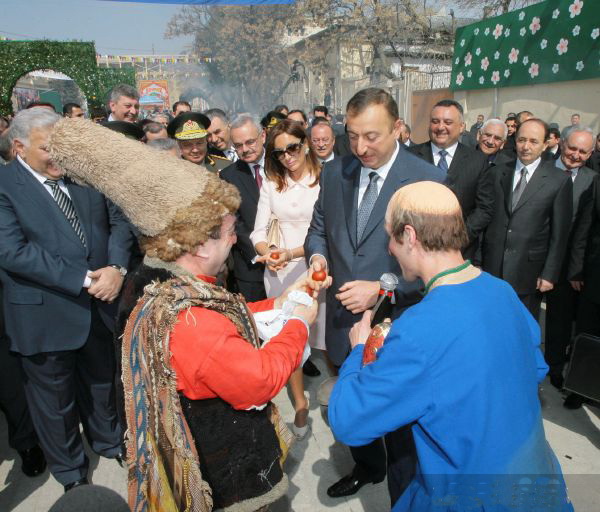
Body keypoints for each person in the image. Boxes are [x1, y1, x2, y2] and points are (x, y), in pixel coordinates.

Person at [44, 117, 318, 510]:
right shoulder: (186, 318)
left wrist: (281, 301)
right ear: (201, 245)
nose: (233, 236)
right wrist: (298, 324)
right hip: (227, 482)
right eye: (227, 230)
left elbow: (226, 313)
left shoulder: (160, 280)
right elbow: (258, 380)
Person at [328, 181, 573, 511]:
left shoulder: (417, 330)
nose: (389, 248)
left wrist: (361, 350)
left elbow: (349, 421)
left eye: (391, 236)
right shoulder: (502, 291)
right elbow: (534, 368)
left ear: (410, 236)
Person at [305, 87, 444, 499]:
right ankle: (368, 466)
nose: (361, 147)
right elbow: (318, 230)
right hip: (345, 322)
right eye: (353, 135)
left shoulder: (427, 180)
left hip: (400, 327)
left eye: (372, 136)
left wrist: (384, 290)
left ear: (398, 129)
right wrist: (318, 259)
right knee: (355, 407)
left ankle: (404, 496)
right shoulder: (335, 172)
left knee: (402, 428)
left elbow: (439, 269)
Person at [0, 109, 134, 492]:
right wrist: (82, 279)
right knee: (54, 401)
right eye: (48, 148)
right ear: (19, 147)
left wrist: (116, 268)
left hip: (101, 303)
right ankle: (71, 472)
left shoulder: (83, 172)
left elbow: (119, 221)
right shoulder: (4, 185)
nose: (59, 156)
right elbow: (12, 251)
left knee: (101, 384)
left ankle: (108, 442)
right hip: (45, 313)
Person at [250, 118, 327, 438]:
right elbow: (257, 229)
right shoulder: (271, 182)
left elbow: (327, 233)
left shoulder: (326, 179)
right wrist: (267, 250)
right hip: (281, 275)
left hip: (317, 268)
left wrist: (293, 254)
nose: (287, 157)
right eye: (279, 152)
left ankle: (336, 392)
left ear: (305, 144)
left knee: (325, 341)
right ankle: (298, 404)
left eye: (292, 148)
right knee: (289, 339)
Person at [482, 118, 573, 318]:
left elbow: (560, 234)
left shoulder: (559, 180)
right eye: (522, 140)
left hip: (529, 272)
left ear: (545, 144)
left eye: (533, 141)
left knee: (523, 327)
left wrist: (549, 273)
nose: (526, 146)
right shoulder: (497, 172)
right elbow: (487, 218)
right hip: (493, 268)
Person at [408, 99, 495, 260]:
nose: (441, 127)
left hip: (459, 252)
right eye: (435, 121)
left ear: (461, 127)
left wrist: (458, 238)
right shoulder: (410, 157)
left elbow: (484, 208)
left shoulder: (478, 161)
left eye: (448, 122)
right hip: (416, 251)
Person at [545, 127, 596, 389]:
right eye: (572, 148)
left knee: (560, 320)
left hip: (567, 264)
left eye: (582, 152)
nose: (575, 155)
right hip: (534, 259)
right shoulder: (539, 168)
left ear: (590, 154)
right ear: (562, 144)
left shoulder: (592, 181)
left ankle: (554, 367)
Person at [220, 114, 268, 302]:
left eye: (250, 142)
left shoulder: (282, 165)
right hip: (251, 268)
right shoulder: (228, 176)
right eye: (238, 146)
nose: (245, 149)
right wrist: (261, 254)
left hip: (288, 262)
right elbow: (234, 222)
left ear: (262, 136)